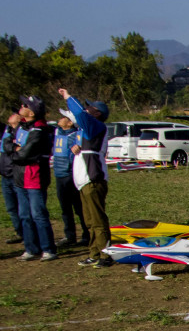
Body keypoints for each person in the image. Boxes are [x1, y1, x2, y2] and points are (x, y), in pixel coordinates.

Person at [58, 89, 112, 268]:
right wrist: (76, 148)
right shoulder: (88, 129)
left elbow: (79, 113)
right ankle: (94, 253)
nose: (87, 109)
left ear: (97, 114)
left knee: (97, 219)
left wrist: (68, 97)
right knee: (89, 221)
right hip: (84, 180)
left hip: (93, 179)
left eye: (91, 108)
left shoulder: (96, 125)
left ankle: (106, 255)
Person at [8, 96, 57, 261]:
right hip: (19, 177)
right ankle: (31, 248)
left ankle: (48, 249)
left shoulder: (40, 130)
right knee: (24, 215)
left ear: (32, 112)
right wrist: (15, 149)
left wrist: (15, 151)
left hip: (34, 177)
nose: (21, 106)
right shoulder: (22, 127)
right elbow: (8, 144)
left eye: (26, 105)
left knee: (38, 214)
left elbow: (24, 154)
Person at [53, 110, 90, 247]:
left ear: (70, 123)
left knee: (79, 208)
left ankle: (86, 235)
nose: (60, 118)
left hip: (70, 175)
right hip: (59, 174)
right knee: (65, 208)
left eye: (64, 117)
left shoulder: (76, 135)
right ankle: (69, 236)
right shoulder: (57, 132)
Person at [1, 113, 22, 245]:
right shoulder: (6, 130)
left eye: (15, 113)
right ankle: (20, 233)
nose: (11, 115)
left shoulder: (22, 132)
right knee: (11, 208)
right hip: (5, 176)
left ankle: (29, 234)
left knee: (23, 208)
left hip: (16, 175)